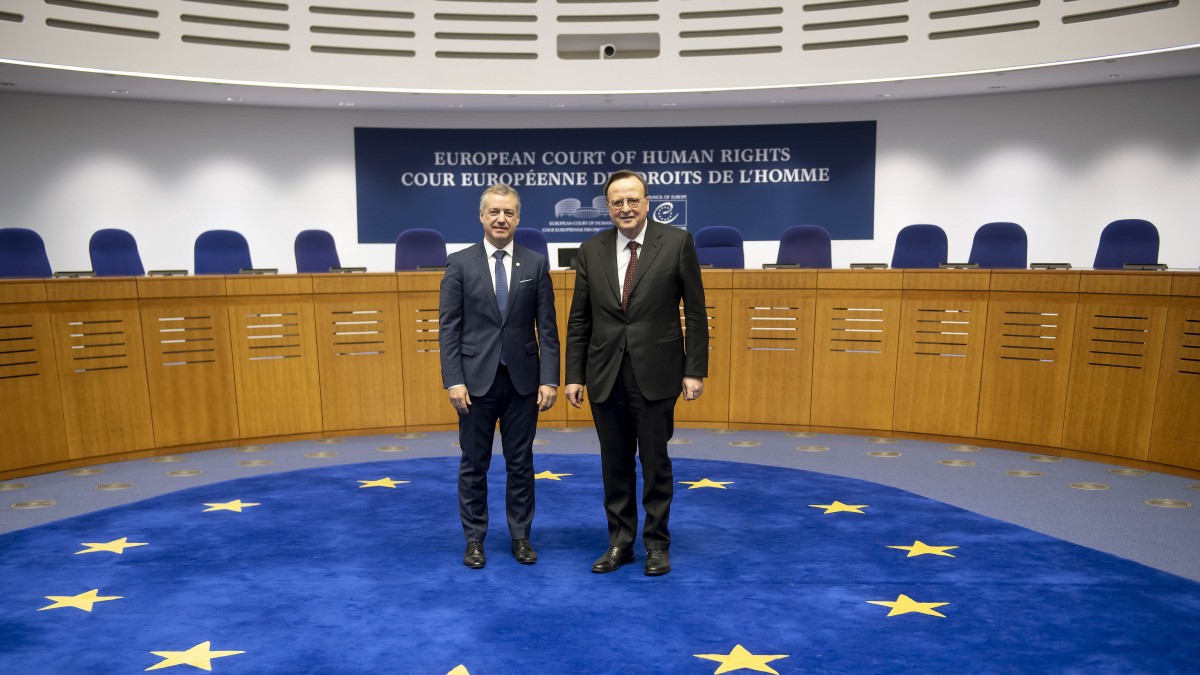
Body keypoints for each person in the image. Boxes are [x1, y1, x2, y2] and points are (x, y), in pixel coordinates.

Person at [564, 169, 708, 576]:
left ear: (646, 203)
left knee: (655, 463)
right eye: (616, 202)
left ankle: (657, 545)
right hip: (605, 374)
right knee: (615, 464)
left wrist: (694, 370)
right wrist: (574, 374)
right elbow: (580, 320)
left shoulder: (677, 243)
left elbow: (695, 313)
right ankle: (619, 543)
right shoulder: (591, 249)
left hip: (657, 373)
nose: (625, 208)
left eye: (632, 200)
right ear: (607, 207)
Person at [439, 183, 559, 569]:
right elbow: (448, 329)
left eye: (508, 212)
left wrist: (550, 378)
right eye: (494, 212)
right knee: (474, 464)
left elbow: (548, 328)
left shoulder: (536, 263)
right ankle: (474, 539)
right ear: (481, 216)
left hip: (524, 381)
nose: (501, 219)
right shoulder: (459, 263)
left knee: (520, 462)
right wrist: (453, 380)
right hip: (473, 383)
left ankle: (521, 537)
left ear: (518, 218)